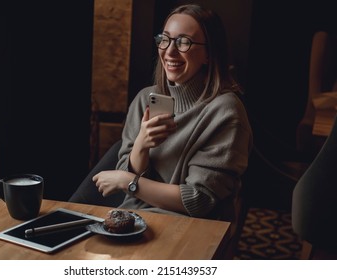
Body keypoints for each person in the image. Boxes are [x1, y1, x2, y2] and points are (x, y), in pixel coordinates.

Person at [85, 4, 252, 221]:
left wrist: (128, 181)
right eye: (165, 39)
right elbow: (127, 174)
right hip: (134, 220)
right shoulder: (145, 99)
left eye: (184, 42)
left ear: (209, 54)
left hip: (193, 229)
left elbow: (198, 199)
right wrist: (141, 145)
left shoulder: (226, 112)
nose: (169, 51)